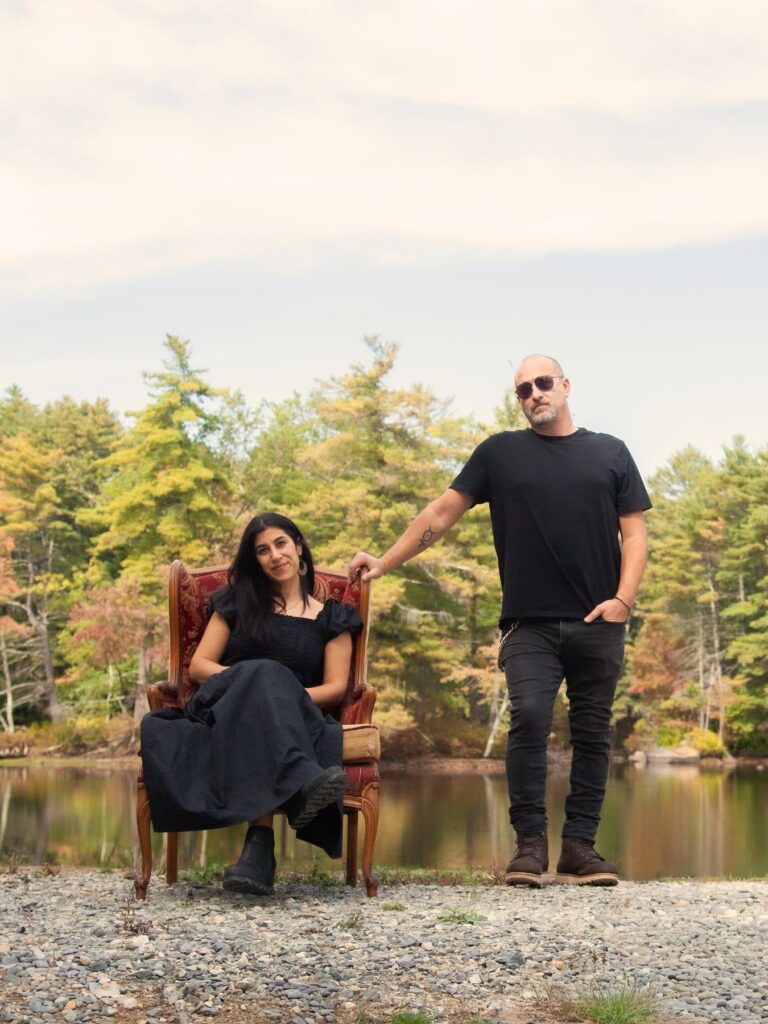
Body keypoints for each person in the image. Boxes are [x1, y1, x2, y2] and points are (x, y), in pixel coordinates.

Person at [349, 354, 650, 887]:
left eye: (542, 383)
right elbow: (439, 514)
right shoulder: (500, 454)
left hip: (599, 620)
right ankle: (529, 846)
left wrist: (623, 601)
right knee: (530, 718)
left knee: (593, 733)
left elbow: (636, 535)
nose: (533, 393)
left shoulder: (610, 453)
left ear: (565, 385)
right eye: (522, 389)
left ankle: (579, 848)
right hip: (528, 625)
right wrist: (384, 562)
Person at [141, 512, 362, 895]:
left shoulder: (333, 617)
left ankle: (259, 850)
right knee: (263, 673)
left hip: (296, 717)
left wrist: (280, 696)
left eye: (280, 544)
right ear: (255, 560)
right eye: (262, 550)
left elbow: (335, 688)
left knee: (269, 684)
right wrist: (256, 682)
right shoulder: (236, 604)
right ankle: (301, 778)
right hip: (225, 706)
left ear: (298, 546)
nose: (274, 555)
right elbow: (199, 667)